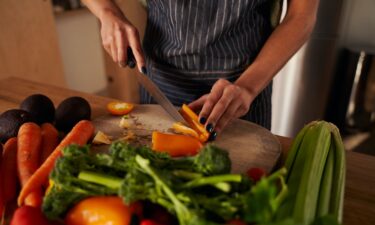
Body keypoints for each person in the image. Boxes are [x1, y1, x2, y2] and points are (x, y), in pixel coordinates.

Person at [83, 0, 319, 139]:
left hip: (244, 88)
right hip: (162, 81)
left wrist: (247, 86)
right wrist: (108, 13)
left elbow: (301, 16)